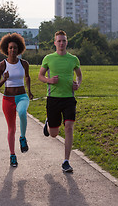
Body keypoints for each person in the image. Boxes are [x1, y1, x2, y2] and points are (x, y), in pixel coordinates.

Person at [38, 30, 82, 172]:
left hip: (69, 99)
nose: (61, 43)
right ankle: (48, 122)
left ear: (66, 42)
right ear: (55, 42)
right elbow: (40, 76)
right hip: (53, 99)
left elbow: (79, 76)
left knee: (69, 127)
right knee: (54, 134)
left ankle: (66, 161)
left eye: (64, 40)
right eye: (59, 41)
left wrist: (77, 84)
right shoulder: (48, 58)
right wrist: (49, 80)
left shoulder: (73, 59)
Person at [0, 33, 33, 167]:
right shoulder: (1, 66)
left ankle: (22, 138)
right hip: (8, 99)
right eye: (10, 48)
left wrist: (29, 91)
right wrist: (4, 79)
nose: (13, 50)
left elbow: (27, 77)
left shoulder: (24, 63)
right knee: (11, 129)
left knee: (22, 112)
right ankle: (12, 155)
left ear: (19, 49)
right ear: (6, 49)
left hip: (22, 96)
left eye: (15, 48)